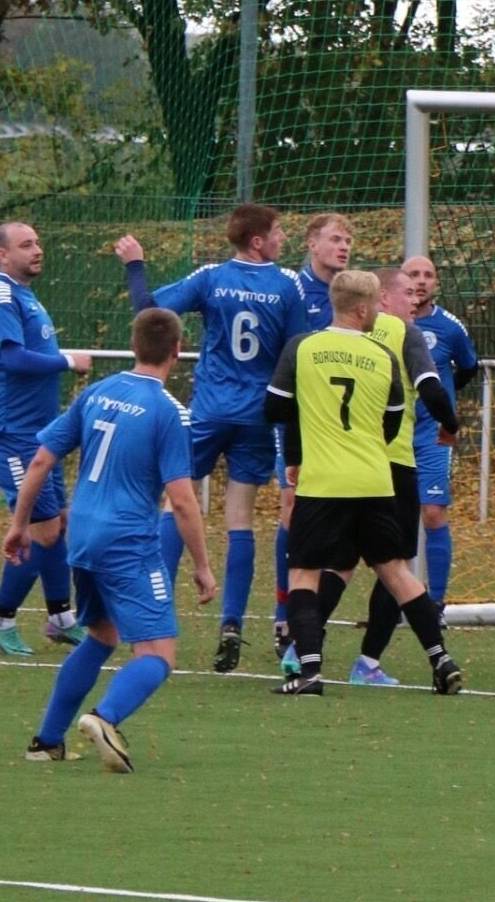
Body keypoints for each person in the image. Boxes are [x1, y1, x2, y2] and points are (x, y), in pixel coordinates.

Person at [4, 308, 216, 770]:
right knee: (158, 652)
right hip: (127, 541)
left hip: (81, 534)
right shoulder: (170, 413)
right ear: (177, 352)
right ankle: (106, 717)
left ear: (134, 344)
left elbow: (41, 462)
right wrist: (202, 565)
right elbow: (181, 500)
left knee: (101, 634)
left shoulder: (97, 393)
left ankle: (46, 741)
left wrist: (18, 525)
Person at [115, 204, 307, 673]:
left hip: (209, 411)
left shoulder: (212, 277)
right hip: (259, 416)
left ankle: (152, 616)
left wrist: (136, 265)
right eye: (278, 232)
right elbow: (299, 351)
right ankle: (231, 623)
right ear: (258, 241)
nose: (283, 238)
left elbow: (149, 311)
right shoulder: (287, 286)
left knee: (174, 502)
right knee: (239, 518)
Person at [265, 269, 462, 696]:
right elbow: (393, 421)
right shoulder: (383, 355)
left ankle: (309, 671)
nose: (382, 311)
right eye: (376, 304)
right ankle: (440, 660)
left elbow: (274, 409)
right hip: (378, 477)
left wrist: (303, 450)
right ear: (363, 307)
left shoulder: (304, 347)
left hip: (323, 481)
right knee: (395, 571)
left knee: (306, 571)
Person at [346, 268, 459, 685]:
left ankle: (301, 651)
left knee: (335, 564)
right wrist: (452, 424)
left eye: (418, 292)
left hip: (338, 465)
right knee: (397, 566)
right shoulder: (402, 334)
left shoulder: (331, 338)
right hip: (390, 464)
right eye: (405, 293)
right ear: (383, 300)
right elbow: (432, 389)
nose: (413, 301)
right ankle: (375, 661)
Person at [0, 221, 92, 656]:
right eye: (26, 245)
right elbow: (13, 359)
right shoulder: (1, 294)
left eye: (38, 241)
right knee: (40, 528)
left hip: (39, 430)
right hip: (12, 433)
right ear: (3, 255)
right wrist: (66, 360)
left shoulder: (23, 294)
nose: (38, 250)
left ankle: (60, 617)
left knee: (55, 523)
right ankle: (2, 617)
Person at [273, 214, 354, 660]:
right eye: (335, 239)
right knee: (292, 510)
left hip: (340, 427)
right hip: (298, 420)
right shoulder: (291, 291)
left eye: (348, 241)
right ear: (311, 243)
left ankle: (306, 615)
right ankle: (284, 614)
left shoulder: (350, 294)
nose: (343, 247)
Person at [401, 255, 478, 618]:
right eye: (413, 274)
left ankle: (436, 603)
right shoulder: (384, 323)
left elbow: (468, 368)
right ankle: (398, 595)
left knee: (432, 513)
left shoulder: (449, 327)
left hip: (432, 434)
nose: (420, 281)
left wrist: (444, 401)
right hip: (391, 432)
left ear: (436, 283)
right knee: (390, 517)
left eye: (428, 275)